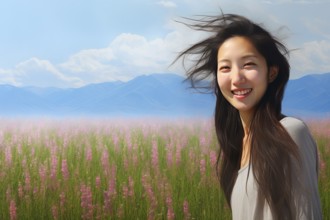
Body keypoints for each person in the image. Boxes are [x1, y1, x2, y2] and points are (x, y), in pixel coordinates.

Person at [175, 14, 322, 219]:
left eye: (248, 64)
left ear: (271, 72)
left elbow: (308, 214)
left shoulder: (290, 132)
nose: (236, 78)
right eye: (225, 67)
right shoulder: (237, 146)